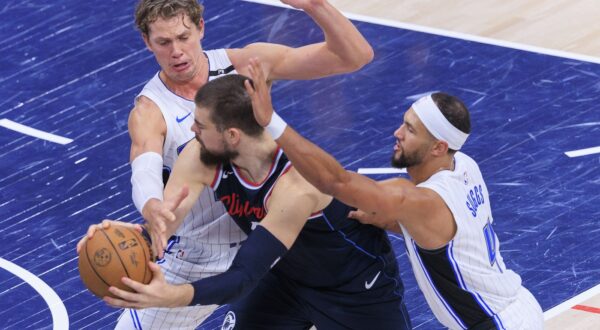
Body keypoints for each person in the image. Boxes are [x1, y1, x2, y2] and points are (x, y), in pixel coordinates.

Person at [79, 73, 412, 329]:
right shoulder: (201, 153)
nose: (191, 129)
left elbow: (242, 276)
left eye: (200, 124)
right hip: (285, 281)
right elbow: (165, 225)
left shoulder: (297, 184)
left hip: (355, 290)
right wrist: (136, 236)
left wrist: (172, 296)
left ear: (232, 135)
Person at [124, 0, 373, 328]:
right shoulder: (150, 111)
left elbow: (354, 56)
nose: (177, 51)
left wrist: (316, 6)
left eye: (184, 37)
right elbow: (144, 168)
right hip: (200, 251)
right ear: (147, 42)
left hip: (276, 236)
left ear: (201, 28)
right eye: (164, 43)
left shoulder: (246, 65)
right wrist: (151, 206)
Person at [248, 59, 544, 329]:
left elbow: (335, 181)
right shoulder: (464, 165)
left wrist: (270, 121)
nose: (397, 133)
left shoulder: (421, 201)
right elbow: (443, 236)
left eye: (411, 130)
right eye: (404, 122)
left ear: (439, 147)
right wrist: (391, 219)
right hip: (520, 305)